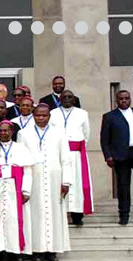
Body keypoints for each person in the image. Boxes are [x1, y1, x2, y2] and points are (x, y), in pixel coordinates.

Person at [19, 104, 72, 261]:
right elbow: (21, 160)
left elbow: (66, 159)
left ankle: (52, 250)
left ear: (49, 116)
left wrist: (66, 181)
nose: (41, 118)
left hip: (54, 178)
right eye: (38, 115)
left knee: (54, 212)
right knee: (35, 213)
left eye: (44, 115)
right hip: (33, 178)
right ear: (33, 115)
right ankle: (37, 250)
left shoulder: (59, 133)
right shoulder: (24, 133)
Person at [0, 121, 33, 261]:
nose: (3, 133)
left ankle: (15, 251)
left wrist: (26, 190)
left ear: (11, 132)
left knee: (14, 220)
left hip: (14, 188)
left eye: (6, 131)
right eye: (0, 131)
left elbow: (28, 171)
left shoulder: (21, 149)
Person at [100, 90, 133, 225]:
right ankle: (124, 214)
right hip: (120, 154)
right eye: (121, 99)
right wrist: (108, 156)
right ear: (116, 100)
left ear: (130, 99)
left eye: (126, 98)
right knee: (123, 185)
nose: (124, 101)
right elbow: (104, 139)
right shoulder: (109, 117)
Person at [50, 90, 93, 226]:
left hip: (76, 154)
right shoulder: (53, 114)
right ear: (60, 99)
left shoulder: (82, 114)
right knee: (58, 182)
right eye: (64, 97)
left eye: (70, 97)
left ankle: (77, 214)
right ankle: (60, 213)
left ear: (74, 99)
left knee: (77, 183)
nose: (67, 99)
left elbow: (86, 134)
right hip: (58, 153)